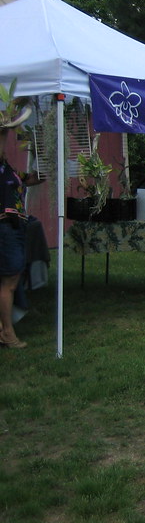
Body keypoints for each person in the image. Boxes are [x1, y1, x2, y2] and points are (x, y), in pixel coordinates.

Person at [1, 118, 43, 349]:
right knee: (9, 280)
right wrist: (6, 125)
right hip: (5, 227)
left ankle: (3, 326)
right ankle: (7, 333)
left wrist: (45, 158)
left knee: (10, 279)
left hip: (14, 227)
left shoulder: (8, 170)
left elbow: (31, 179)